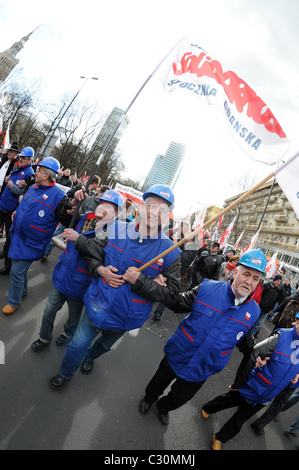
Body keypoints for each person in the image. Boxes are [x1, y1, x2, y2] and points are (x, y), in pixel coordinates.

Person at [49, 184, 182, 389]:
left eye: (161, 209)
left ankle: (91, 357)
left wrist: (141, 281)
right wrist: (99, 269)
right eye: (150, 206)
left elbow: (172, 295)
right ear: (141, 207)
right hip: (97, 302)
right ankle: (65, 374)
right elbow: (94, 253)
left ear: (168, 216)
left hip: (126, 316)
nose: (154, 213)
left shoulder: (171, 253)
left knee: (103, 346)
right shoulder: (116, 228)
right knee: (77, 344)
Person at [138, 249, 267, 426]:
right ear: (235, 271)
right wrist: (163, 288)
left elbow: (245, 339)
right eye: (246, 274)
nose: (249, 281)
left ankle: (163, 407)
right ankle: (149, 398)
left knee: (179, 398)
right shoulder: (207, 288)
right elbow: (178, 303)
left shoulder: (254, 311)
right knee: (157, 384)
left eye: (255, 278)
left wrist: (258, 356)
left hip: (203, 368)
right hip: (178, 353)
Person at [31, 189, 124, 350]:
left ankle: (67, 335)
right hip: (62, 275)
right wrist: (73, 202)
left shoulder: (115, 233)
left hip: (82, 283)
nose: (102, 208)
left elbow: (101, 252)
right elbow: (63, 218)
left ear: (116, 213)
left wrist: (78, 238)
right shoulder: (88, 216)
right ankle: (44, 337)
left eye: (108, 206)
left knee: (73, 319)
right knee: (48, 312)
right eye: (101, 204)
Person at [201, 318, 299, 450]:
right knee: (226, 401)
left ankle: (219, 438)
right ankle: (208, 408)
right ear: (297, 322)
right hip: (251, 386)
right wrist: (239, 383)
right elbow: (254, 353)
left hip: (263, 398)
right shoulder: (281, 336)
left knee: (239, 420)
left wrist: (294, 380)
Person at [1, 157, 69, 315]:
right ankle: (22, 291)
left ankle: (14, 301)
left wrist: (72, 208)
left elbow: (65, 217)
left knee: (16, 271)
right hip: (19, 237)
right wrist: (17, 213)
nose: (35, 171)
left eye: (39, 170)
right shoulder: (33, 187)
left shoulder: (59, 197)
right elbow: (24, 204)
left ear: (46, 175)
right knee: (20, 270)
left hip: (32, 243)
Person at [0, 146, 36, 274]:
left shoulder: (30, 174)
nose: (20, 160)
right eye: (20, 157)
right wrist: (8, 180)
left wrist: (11, 185)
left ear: (29, 160)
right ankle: (4, 253)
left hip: (12, 210)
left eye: (23, 158)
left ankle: (8, 266)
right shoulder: (17, 167)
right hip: (3, 204)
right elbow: (11, 180)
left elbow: (23, 193)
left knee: (10, 239)